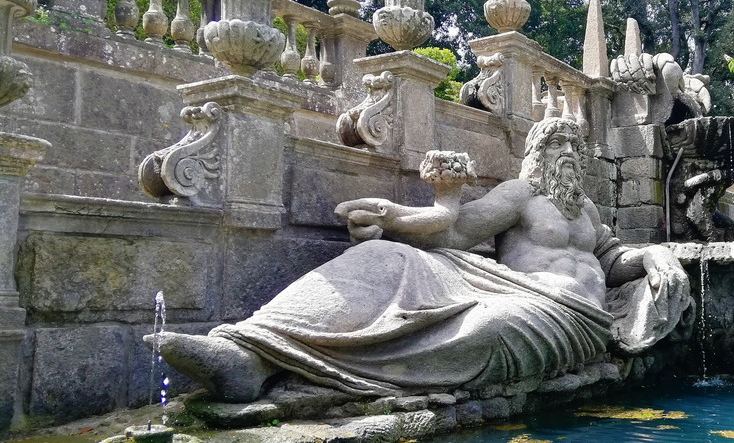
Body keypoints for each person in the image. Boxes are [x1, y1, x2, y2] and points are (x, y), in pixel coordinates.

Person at [155, 117, 691, 402]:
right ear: (537, 158)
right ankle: (250, 351)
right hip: (514, 287)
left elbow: (610, 258)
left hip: (575, 320)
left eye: (574, 146)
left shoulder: (590, 210)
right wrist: (391, 219)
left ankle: (311, 370)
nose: (568, 155)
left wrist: (650, 255)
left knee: (487, 327)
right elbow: (455, 229)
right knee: (387, 258)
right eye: (556, 148)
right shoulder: (520, 195)